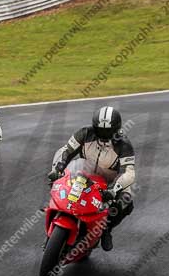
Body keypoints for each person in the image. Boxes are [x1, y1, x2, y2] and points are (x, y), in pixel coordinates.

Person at [48, 106, 135, 251]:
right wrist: (57, 169)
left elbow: (129, 172)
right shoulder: (84, 133)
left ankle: (106, 228)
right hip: (82, 173)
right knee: (56, 182)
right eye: (100, 130)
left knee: (126, 201)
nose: (104, 134)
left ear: (117, 129)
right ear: (94, 127)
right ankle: (56, 209)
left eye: (108, 131)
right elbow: (66, 151)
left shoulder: (123, 144)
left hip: (110, 181)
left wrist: (114, 189)